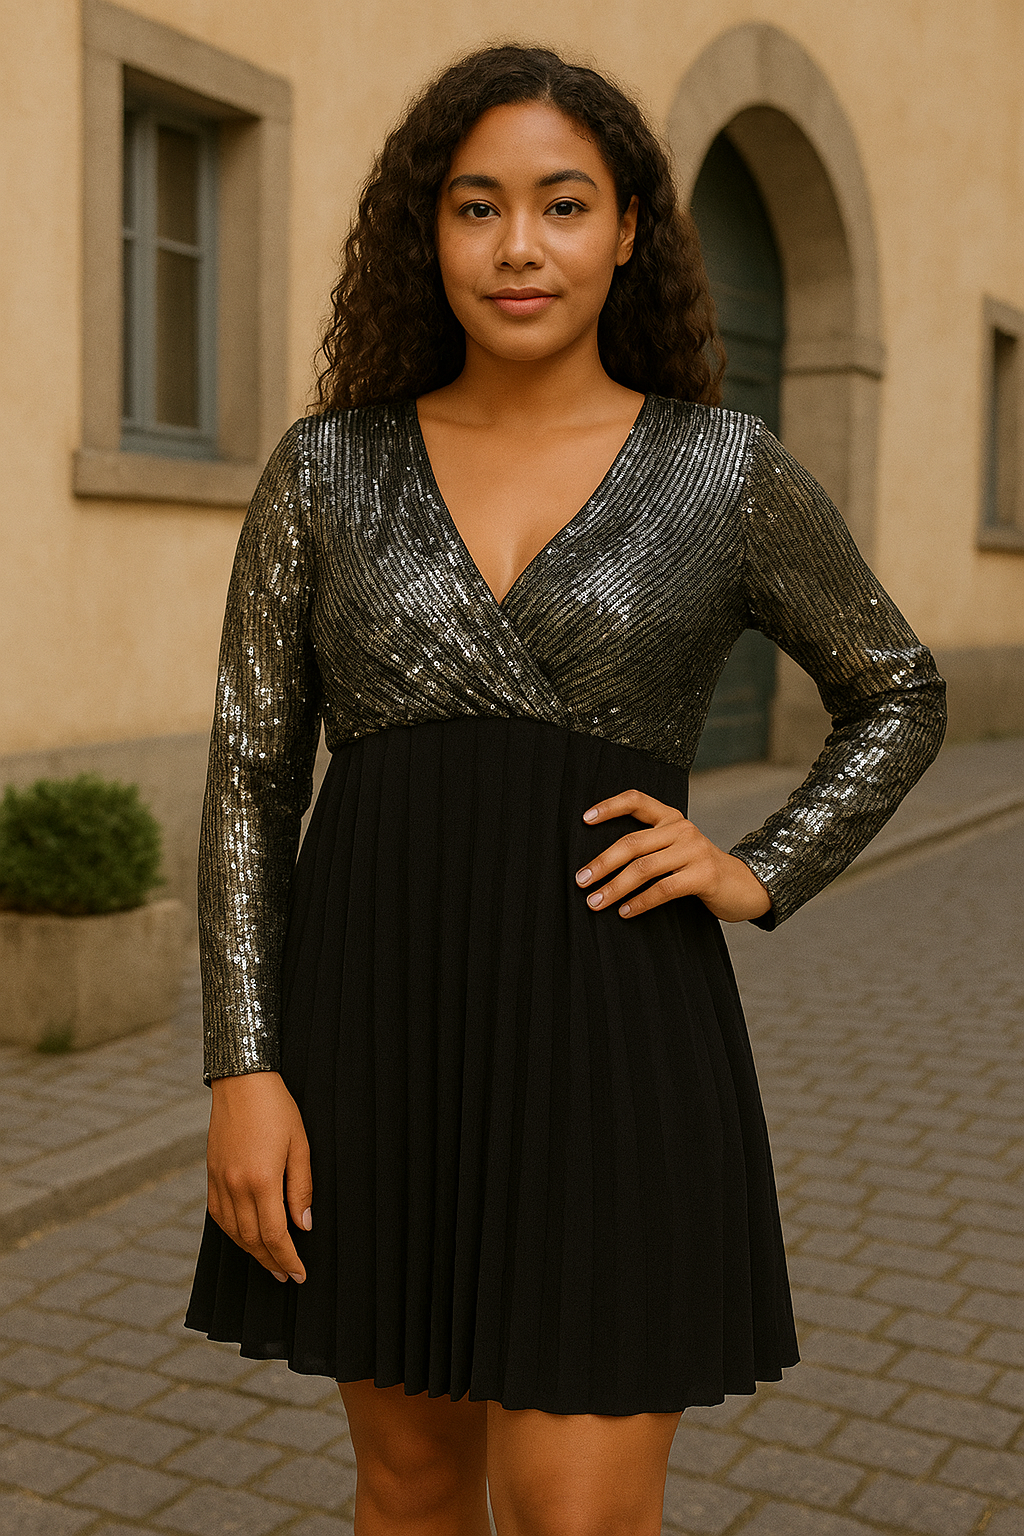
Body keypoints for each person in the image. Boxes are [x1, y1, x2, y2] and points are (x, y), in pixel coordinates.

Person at [185, 43, 946, 1536]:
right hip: (376, 1036)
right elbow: (251, 777)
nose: (518, 247)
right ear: (429, 232)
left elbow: (899, 689)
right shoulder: (328, 470)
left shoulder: (725, 472)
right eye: (476, 207)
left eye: (560, 204)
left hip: (613, 1039)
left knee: (573, 1511)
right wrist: (245, 1066)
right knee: (407, 1486)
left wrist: (764, 865)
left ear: (628, 233)